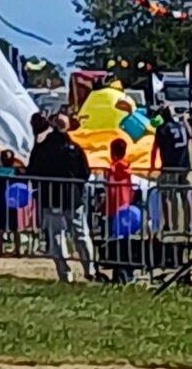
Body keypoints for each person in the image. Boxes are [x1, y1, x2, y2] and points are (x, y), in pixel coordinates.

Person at [27, 112, 96, 284]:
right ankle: (90, 269)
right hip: (73, 198)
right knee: (81, 233)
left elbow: (32, 172)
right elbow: (85, 173)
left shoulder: (43, 148)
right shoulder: (74, 148)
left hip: (51, 198)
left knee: (57, 236)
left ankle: (65, 274)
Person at [104, 136, 138, 283]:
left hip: (114, 208)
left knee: (115, 242)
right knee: (126, 241)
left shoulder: (112, 170)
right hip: (127, 208)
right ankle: (128, 270)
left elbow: (109, 189)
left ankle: (118, 270)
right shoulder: (128, 169)